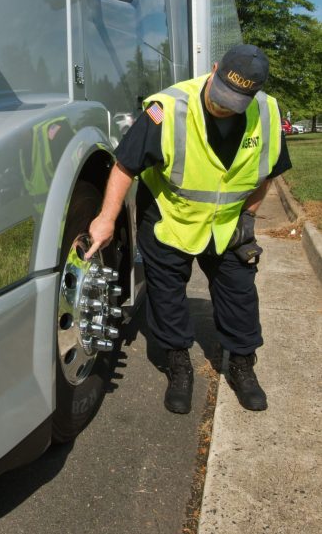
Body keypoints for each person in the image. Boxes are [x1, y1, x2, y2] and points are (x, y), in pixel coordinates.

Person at [84, 45, 291, 414]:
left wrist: (248, 218)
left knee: (240, 295)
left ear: (254, 94)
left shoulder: (269, 113)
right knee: (167, 298)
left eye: (235, 102)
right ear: (214, 70)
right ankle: (178, 364)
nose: (223, 106)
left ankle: (242, 365)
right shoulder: (168, 109)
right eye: (221, 94)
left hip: (227, 226)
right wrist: (105, 219)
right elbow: (125, 166)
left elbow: (267, 172)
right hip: (169, 219)